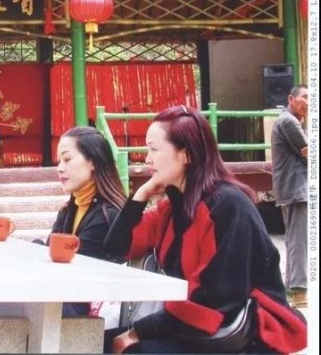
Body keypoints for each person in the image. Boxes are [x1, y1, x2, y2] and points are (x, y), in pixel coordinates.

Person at [104, 105, 306, 354]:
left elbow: (214, 297)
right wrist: (141, 195)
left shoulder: (228, 206)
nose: (147, 159)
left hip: (244, 335)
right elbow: (117, 248)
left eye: (154, 149)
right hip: (194, 325)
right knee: (99, 340)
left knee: (134, 350)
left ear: (187, 154)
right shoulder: (171, 208)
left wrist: (139, 331)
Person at [38, 127, 126, 327]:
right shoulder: (69, 210)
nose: (60, 168)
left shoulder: (108, 216)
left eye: (67, 159)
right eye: (59, 161)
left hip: (93, 313)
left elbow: (73, 270)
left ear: (93, 161)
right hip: (68, 298)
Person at [271, 84, 308, 309]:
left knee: (295, 239)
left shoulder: (291, 121)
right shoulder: (289, 122)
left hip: (293, 189)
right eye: (304, 97)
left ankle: (294, 289)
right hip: (297, 188)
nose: (308, 102)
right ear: (290, 99)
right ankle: (298, 290)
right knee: (299, 240)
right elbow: (308, 153)